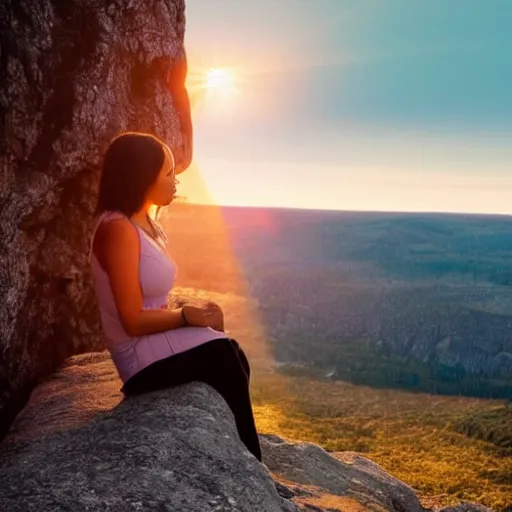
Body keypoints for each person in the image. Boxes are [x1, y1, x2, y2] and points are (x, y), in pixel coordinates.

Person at [88, 131, 262, 462]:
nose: (175, 180)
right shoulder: (117, 230)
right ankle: (252, 461)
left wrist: (194, 314)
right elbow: (132, 319)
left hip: (153, 343)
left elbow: (151, 301)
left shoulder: (139, 223)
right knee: (223, 355)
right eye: (168, 172)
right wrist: (185, 317)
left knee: (232, 350)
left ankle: (240, 451)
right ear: (142, 177)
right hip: (138, 358)